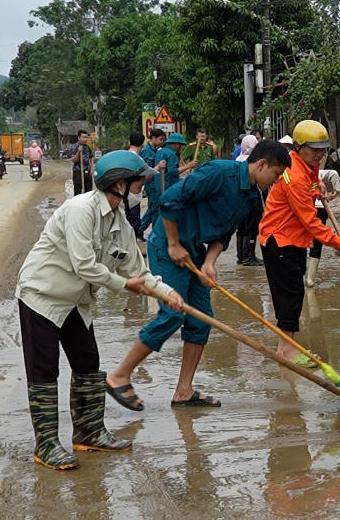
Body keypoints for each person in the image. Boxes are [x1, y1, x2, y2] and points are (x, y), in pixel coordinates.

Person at [15, 151, 187, 470]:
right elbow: (85, 266)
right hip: (43, 294)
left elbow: (140, 270)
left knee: (88, 363)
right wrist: (125, 286)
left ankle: (89, 432)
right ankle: (47, 444)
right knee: (44, 369)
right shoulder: (81, 210)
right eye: (139, 180)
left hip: (77, 301)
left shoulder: (119, 218)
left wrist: (168, 293)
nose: (144, 185)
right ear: (119, 183)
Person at [106, 140, 291, 410]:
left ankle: (184, 391)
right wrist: (173, 243)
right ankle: (119, 375)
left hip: (195, 250)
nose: (274, 183)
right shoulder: (218, 173)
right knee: (173, 312)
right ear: (262, 164)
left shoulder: (251, 196)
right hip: (168, 246)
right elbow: (170, 200)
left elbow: (223, 236)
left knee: (201, 321)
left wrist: (210, 263)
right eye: (275, 175)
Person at [258, 120, 340, 369]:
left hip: (292, 240)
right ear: (299, 147)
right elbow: (310, 222)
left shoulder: (302, 165)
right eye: (315, 149)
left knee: (293, 295)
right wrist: (338, 242)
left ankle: (285, 348)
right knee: (289, 296)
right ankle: (287, 351)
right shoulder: (295, 176)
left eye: (323, 149)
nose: (320, 154)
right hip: (281, 241)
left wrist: (317, 187)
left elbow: (310, 186)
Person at [306, 156, 340, 287]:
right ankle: (310, 278)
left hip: (310, 209)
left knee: (306, 240)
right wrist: (334, 193)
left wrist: (330, 194)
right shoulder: (316, 174)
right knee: (317, 242)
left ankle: (306, 277)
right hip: (318, 209)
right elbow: (334, 174)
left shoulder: (312, 174)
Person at [233, 133, 264, 266]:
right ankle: (249, 256)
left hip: (239, 198)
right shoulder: (252, 161)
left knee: (241, 227)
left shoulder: (238, 159)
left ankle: (241, 256)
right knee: (251, 227)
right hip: (251, 196)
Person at [138, 128, 169, 239]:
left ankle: (140, 230)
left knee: (153, 209)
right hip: (151, 184)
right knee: (154, 209)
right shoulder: (147, 150)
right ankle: (149, 232)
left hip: (155, 183)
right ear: (153, 138)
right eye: (161, 139)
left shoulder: (157, 150)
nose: (162, 142)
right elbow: (147, 169)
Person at [124, 131, 146, 240]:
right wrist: (156, 169)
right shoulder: (139, 161)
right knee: (133, 226)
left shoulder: (122, 157)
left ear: (129, 142)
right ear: (142, 144)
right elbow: (146, 177)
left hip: (121, 196)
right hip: (133, 198)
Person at [70, 130, 95, 195]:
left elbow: (91, 156)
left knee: (89, 191)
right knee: (78, 190)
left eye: (86, 137)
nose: (85, 139)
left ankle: (87, 204)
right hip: (78, 171)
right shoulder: (74, 147)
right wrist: (78, 152)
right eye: (83, 137)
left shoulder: (88, 147)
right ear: (79, 138)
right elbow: (73, 160)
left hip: (87, 170)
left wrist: (92, 168)